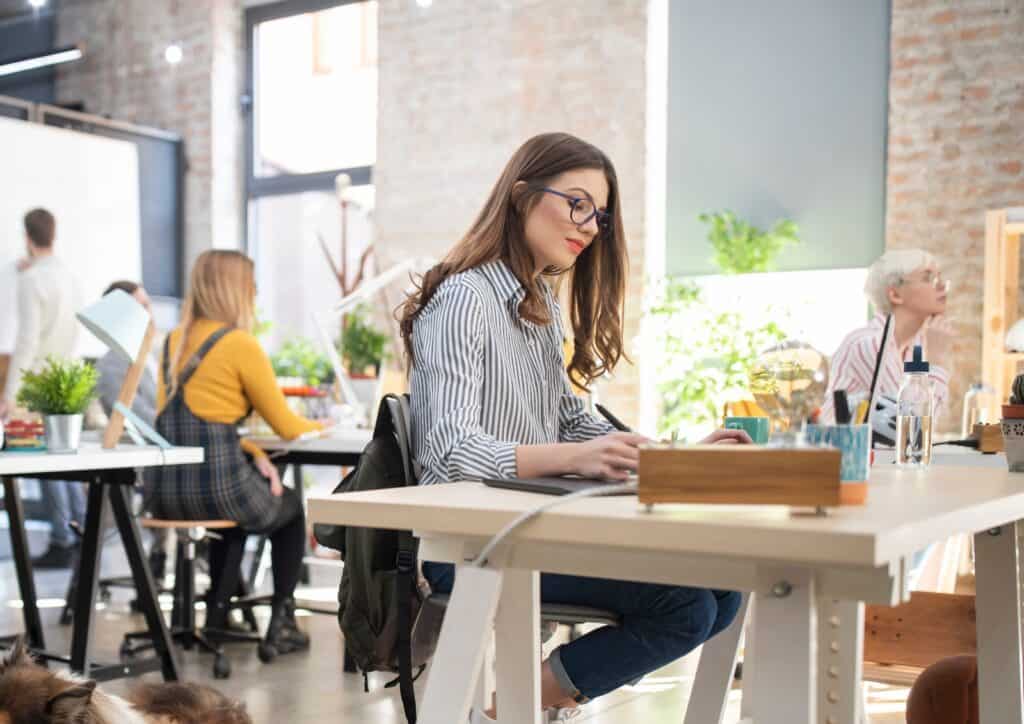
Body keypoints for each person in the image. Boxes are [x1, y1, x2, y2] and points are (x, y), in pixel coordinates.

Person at [398, 132, 749, 722]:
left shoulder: (537, 302)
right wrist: (570, 458)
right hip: (467, 539)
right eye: (577, 203)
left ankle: (520, 704)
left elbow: (571, 419)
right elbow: (448, 447)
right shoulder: (464, 298)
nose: (589, 226)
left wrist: (671, 457)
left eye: (600, 215)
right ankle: (507, 710)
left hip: (522, 525)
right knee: (684, 606)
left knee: (725, 586)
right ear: (520, 197)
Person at [144, 250, 321, 659]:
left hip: (168, 491)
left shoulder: (173, 342)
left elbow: (177, 420)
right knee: (290, 510)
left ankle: (218, 618)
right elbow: (289, 427)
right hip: (218, 486)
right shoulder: (239, 344)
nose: (256, 292)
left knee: (235, 519)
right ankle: (282, 622)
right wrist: (329, 426)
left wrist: (251, 448)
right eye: (251, 284)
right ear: (233, 290)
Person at [0, 209, 85, 570]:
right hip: (65, 377)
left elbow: (27, 340)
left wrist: (10, 392)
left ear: (26, 236)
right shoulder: (68, 276)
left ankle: (62, 539)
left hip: (35, 379)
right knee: (63, 459)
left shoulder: (33, 279)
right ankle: (80, 528)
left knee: (46, 464)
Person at [822, 249, 954, 430]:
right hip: (842, 455)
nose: (941, 286)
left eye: (940, 277)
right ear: (895, 295)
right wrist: (937, 362)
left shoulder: (914, 347)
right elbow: (912, 426)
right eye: (928, 278)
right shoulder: (867, 345)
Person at [95, 281, 158, 425]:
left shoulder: (157, 354)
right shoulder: (110, 368)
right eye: (139, 309)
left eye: (147, 305)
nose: (148, 315)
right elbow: (142, 420)